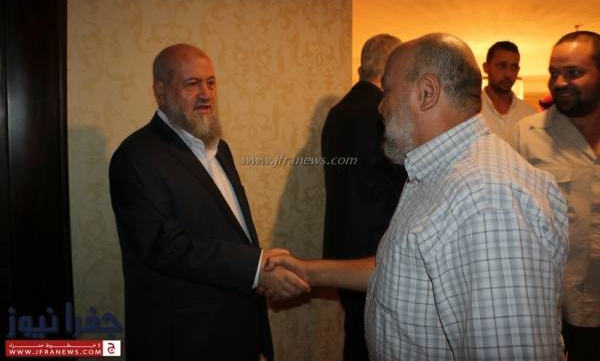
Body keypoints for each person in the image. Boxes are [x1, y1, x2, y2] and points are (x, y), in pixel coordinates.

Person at [265, 33, 569, 360]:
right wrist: (308, 271)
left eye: (387, 91)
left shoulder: (488, 201)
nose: (380, 106)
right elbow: (401, 268)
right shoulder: (436, 171)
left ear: (427, 92)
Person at [109, 44, 309, 360]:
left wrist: (258, 271)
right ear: (161, 92)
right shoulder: (136, 157)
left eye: (211, 83)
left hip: (237, 330)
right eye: (192, 84)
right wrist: (255, 267)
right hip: (183, 340)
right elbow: (165, 247)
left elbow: (230, 232)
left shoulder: (220, 149)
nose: (206, 94)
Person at [510, 31, 600, 361]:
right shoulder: (527, 136)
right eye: (553, 73)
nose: (559, 82)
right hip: (556, 307)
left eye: (574, 72)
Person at [320, 33, 406, 361]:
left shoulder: (337, 112)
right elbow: (400, 181)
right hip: (374, 248)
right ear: (390, 66)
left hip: (341, 244)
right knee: (373, 341)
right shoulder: (382, 112)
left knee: (356, 333)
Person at [481, 41, 535, 140]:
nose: (508, 74)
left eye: (514, 67)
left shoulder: (529, 113)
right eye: (501, 66)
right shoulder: (470, 110)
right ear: (486, 67)